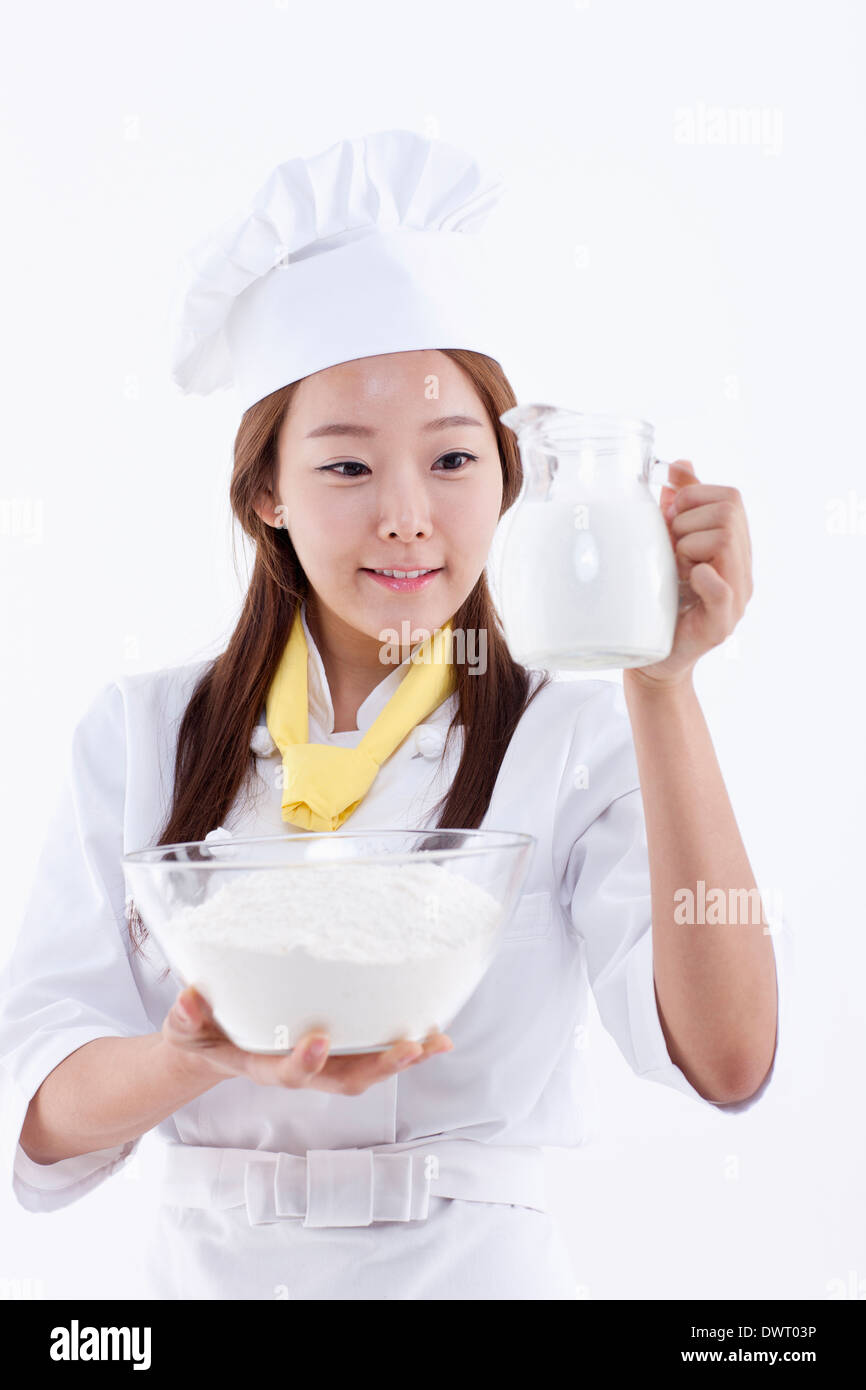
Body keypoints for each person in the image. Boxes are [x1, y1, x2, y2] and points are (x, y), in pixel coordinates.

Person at [0, 130, 788, 1301]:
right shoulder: (141, 731)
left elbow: (727, 1062)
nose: (409, 518)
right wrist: (185, 1056)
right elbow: (41, 1108)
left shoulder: (569, 739)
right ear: (266, 491)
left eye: (454, 459)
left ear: (510, 483)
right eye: (348, 468)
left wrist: (663, 686)